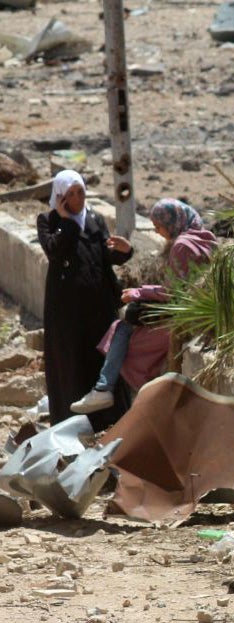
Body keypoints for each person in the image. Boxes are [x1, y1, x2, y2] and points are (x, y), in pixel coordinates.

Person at [70, 198, 216, 414]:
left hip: (185, 322)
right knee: (126, 327)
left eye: (159, 227)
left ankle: (108, 390)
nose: (157, 232)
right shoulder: (205, 238)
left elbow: (174, 292)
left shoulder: (182, 246)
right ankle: (106, 389)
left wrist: (139, 292)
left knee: (124, 334)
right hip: (200, 316)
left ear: (171, 222)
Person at [37, 170, 134, 429]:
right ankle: (72, 424)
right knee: (72, 361)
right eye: (71, 194)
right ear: (60, 197)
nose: (78, 198)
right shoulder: (48, 220)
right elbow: (55, 251)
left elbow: (104, 255)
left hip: (100, 305)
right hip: (67, 310)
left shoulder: (94, 219)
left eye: (81, 192)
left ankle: (110, 421)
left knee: (103, 358)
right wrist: (67, 221)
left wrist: (125, 251)